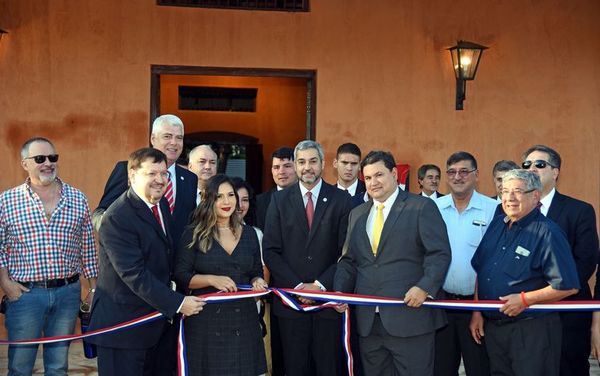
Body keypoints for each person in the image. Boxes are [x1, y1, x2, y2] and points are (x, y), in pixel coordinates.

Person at [87, 148, 205, 376]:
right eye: (152, 173)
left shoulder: (159, 206)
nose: (160, 180)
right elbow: (134, 274)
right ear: (132, 175)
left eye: (164, 174)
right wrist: (179, 303)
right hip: (123, 330)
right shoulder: (117, 217)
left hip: (155, 326)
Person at [334, 150, 451, 376]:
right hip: (369, 324)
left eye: (379, 175)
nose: (373, 182)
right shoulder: (357, 214)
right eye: (367, 178)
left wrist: (424, 287)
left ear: (395, 174)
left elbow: (439, 254)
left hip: (410, 319)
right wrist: (340, 291)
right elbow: (348, 261)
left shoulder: (421, 207)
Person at [0, 137, 98, 376]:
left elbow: (88, 246)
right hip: (25, 296)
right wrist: (5, 283)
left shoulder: (77, 198)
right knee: (20, 366)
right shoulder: (7, 201)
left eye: (53, 158)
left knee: (58, 366)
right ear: (25, 164)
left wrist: (94, 289)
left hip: (68, 294)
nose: (48, 163)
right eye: (40, 159)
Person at [469, 169, 580, 376]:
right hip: (495, 330)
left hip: (531, 330)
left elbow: (567, 285)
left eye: (518, 191)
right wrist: (477, 310)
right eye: (505, 191)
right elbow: (482, 269)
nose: (509, 198)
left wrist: (525, 299)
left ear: (535, 196)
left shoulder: (548, 232)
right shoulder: (496, 225)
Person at [263, 140, 352, 376]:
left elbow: (347, 252)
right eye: (301, 162)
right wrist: (298, 287)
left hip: (328, 303)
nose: (307, 167)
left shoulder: (341, 200)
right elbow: (270, 250)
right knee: (294, 368)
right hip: (291, 304)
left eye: (313, 161)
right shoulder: (279, 201)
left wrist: (320, 285)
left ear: (323, 164)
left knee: (328, 367)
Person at [174, 174, 268, 375]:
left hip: (244, 322)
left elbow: (255, 272)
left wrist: (258, 280)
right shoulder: (193, 233)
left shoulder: (250, 233)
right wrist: (211, 279)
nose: (227, 202)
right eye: (219, 196)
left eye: (231, 195)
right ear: (209, 200)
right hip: (206, 324)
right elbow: (181, 275)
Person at [522, 144, 599, 376]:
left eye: (540, 164)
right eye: (527, 165)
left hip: (567, 312)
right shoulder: (511, 210)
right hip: (525, 312)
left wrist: (547, 293)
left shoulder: (579, 210)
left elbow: (585, 261)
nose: (532, 168)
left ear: (555, 172)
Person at [93, 114, 198, 248]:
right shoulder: (129, 170)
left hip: (177, 263)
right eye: (167, 136)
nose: (174, 142)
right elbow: (100, 212)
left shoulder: (190, 178)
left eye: (179, 138)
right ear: (153, 139)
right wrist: (114, 229)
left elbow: (190, 224)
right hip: (135, 257)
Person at [434, 151, 496, 376]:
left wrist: (478, 309)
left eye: (464, 171)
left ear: (476, 175)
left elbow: (490, 264)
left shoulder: (493, 209)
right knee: (440, 368)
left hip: (477, 308)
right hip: (441, 306)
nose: (457, 177)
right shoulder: (434, 208)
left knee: (479, 368)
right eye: (451, 172)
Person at [255, 146, 296, 231]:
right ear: (272, 171)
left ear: (297, 168)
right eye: (276, 167)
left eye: (287, 166)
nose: (281, 172)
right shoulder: (260, 202)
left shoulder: (308, 198)